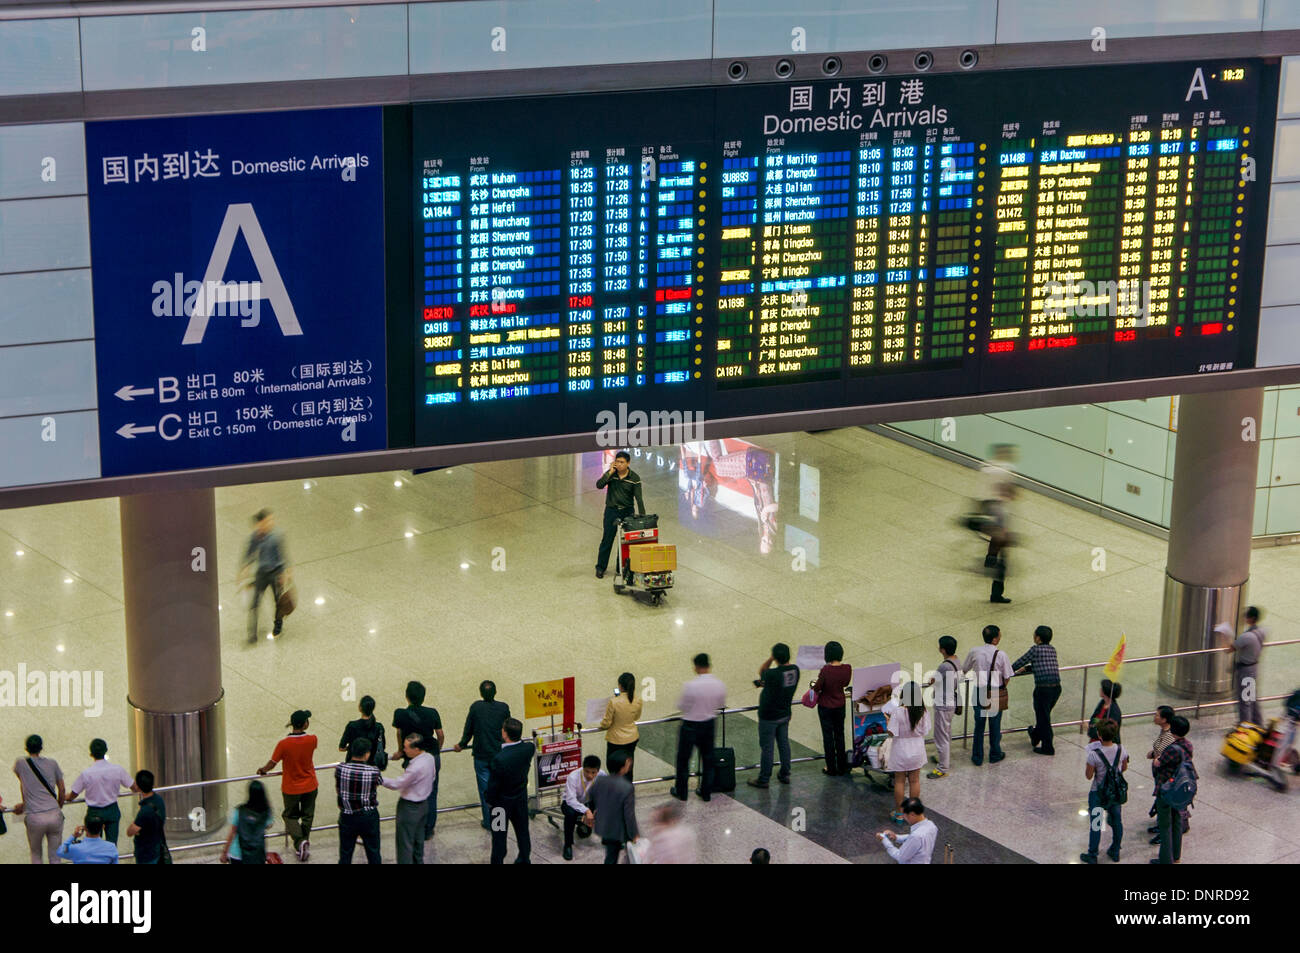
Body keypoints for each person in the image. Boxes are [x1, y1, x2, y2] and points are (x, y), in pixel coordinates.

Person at [256, 708, 318, 862]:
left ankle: (299, 842)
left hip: (291, 787)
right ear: (305, 724)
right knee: (307, 815)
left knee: (289, 815)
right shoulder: (313, 739)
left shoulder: (283, 744)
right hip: (310, 784)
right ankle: (303, 843)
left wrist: (263, 770)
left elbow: (272, 763)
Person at [453, 680, 511, 830]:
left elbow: (469, 730)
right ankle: (500, 821)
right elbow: (509, 730)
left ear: (480, 693)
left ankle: (489, 822)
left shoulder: (476, 707)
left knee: (485, 791)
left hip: (482, 755)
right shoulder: (504, 708)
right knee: (500, 790)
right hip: (499, 755)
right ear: (495, 692)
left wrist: (461, 744)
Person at [671, 653, 727, 802]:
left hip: (690, 725)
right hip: (709, 724)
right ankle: (706, 791)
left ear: (696, 667)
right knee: (708, 759)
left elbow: (682, 706)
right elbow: (721, 705)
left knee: (683, 760)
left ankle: (681, 792)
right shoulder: (719, 684)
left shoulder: (690, 686)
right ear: (709, 665)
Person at [393, 680, 444, 839]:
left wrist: (402, 750)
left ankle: (415, 827)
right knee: (432, 791)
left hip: (413, 756)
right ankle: (428, 828)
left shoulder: (400, 713)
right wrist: (437, 750)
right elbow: (440, 735)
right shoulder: (432, 712)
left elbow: (399, 734)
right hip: (432, 756)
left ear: (406, 696)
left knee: (413, 793)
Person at [962, 625, 1014, 766]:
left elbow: (964, 669)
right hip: (995, 691)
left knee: (979, 725)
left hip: (979, 691)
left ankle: (977, 756)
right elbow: (1007, 675)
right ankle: (995, 754)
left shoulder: (974, 651)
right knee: (995, 724)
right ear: (995, 639)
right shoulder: (1001, 655)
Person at [749, 643, 799, 789]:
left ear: (776, 657)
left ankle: (764, 778)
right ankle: (785, 773)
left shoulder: (772, 674)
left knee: (767, 748)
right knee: (784, 744)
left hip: (769, 717)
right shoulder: (795, 670)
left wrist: (771, 658)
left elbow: (762, 670)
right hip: (784, 714)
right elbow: (782, 684)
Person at [69, 738, 137, 845]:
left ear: (91, 754)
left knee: (93, 844)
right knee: (112, 844)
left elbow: (72, 795)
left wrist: (64, 797)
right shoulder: (117, 769)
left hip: (94, 812)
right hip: (112, 810)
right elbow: (134, 787)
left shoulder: (86, 773)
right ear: (106, 750)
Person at [238, 507, 291, 643]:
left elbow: (283, 555)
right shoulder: (254, 537)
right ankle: (252, 634)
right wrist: (245, 568)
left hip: (276, 573)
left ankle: (278, 627)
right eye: (268, 521)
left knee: (278, 602)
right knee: (255, 603)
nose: (271, 523)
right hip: (261, 573)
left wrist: (286, 572)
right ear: (260, 523)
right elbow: (249, 554)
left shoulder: (277, 535)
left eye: (271, 520)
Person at [380, 733, 434, 864]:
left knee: (405, 844)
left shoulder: (415, 767)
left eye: (406, 747)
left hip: (409, 808)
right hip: (424, 805)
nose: (403, 750)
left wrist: (378, 778)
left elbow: (397, 784)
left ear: (416, 749)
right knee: (418, 841)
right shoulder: (429, 758)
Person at [486, 718, 534, 864]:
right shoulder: (529, 748)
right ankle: (525, 858)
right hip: (519, 799)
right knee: (523, 832)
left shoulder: (499, 759)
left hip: (500, 805)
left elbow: (493, 786)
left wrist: (489, 801)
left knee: (499, 837)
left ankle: (498, 861)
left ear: (505, 734)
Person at [11, 734, 65, 864]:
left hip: (34, 816)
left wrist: (25, 804)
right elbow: (62, 789)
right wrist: (59, 806)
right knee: (55, 856)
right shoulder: (52, 763)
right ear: (41, 748)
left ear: (26, 748)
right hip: (54, 813)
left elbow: (24, 784)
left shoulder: (20, 763)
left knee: (36, 855)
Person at [1080, 719, 1128, 863]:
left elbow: (1089, 776)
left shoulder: (1093, 754)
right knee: (1117, 821)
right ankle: (1115, 850)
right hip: (1115, 792)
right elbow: (1123, 768)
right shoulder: (1121, 749)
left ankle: (1093, 854)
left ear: (1099, 735)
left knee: (1097, 824)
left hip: (1098, 793)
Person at [883, 681, 932, 823]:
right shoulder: (922, 711)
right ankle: (913, 813)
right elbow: (925, 730)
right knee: (915, 781)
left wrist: (888, 721)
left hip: (901, 750)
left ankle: (899, 813)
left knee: (899, 781)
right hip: (917, 749)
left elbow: (892, 733)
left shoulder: (898, 712)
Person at [594, 450, 646, 578]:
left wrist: (642, 517)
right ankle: (600, 567)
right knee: (607, 539)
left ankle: (621, 568)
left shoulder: (634, 478)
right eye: (617, 461)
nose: (619, 464)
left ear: (628, 463)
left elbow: (639, 499)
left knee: (624, 542)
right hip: (611, 511)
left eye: (622, 462)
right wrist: (610, 472)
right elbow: (599, 485)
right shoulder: (611, 474)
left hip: (627, 512)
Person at [1152, 715, 1195, 864]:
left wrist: (1156, 758)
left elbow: (1158, 763)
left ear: (1172, 730)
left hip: (1167, 789)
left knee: (1165, 826)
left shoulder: (1172, 749)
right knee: (1177, 823)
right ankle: (1176, 857)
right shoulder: (1188, 745)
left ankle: (1165, 860)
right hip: (1180, 790)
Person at [1014, 625, 1062, 755]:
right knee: (1043, 716)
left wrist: (1008, 670)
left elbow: (1020, 662)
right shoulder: (1052, 650)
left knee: (1044, 719)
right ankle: (1035, 735)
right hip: (1056, 688)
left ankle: (1048, 747)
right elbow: (1043, 663)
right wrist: (1030, 668)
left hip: (1043, 689)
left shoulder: (1035, 650)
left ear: (1038, 638)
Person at [585, 748, 638, 864]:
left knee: (611, 855)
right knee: (625, 855)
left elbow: (591, 797)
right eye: (627, 762)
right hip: (619, 828)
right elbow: (629, 814)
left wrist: (592, 811)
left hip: (605, 825)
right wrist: (634, 834)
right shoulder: (627, 787)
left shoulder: (600, 781)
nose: (630, 763)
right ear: (622, 767)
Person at [336, 737, 383, 864]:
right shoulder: (374, 771)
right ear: (367, 754)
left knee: (345, 853)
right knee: (373, 852)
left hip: (347, 815)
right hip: (368, 816)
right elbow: (379, 782)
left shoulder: (340, 769)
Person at [812, 641, 852, 776]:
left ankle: (831, 767)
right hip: (840, 705)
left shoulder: (825, 670)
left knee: (828, 737)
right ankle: (842, 765)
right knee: (839, 735)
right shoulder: (847, 669)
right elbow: (846, 683)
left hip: (825, 707)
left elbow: (818, 687)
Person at [925, 636, 961, 779]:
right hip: (951, 702)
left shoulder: (944, 666)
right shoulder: (956, 661)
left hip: (943, 705)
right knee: (946, 733)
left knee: (941, 737)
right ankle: (943, 759)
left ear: (943, 650)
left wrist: (931, 681)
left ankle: (942, 768)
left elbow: (934, 680)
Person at [1224, 606, 1267, 725]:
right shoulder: (1261, 631)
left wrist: (1224, 635)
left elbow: (1229, 649)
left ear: (1251, 618)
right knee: (1252, 698)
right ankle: (1258, 724)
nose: (1244, 618)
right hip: (1254, 668)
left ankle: (1244, 728)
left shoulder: (1246, 636)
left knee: (1244, 700)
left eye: (1246, 616)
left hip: (1245, 671)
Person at [561, 755, 605, 861]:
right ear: (583, 768)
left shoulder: (602, 775)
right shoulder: (573, 777)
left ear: (598, 771)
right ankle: (568, 845)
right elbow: (571, 800)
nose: (590, 775)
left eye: (593, 772)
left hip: (589, 801)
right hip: (571, 803)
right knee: (570, 815)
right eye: (587, 771)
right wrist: (587, 811)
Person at [600, 673, 642, 781]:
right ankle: (628, 792)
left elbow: (606, 723)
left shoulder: (614, 702)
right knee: (628, 768)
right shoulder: (638, 700)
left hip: (616, 741)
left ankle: (617, 793)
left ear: (620, 686)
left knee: (614, 769)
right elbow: (636, 717)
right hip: (632, 739)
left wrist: (601, 724)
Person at [221, 780, 273, 865]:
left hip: (237, 853)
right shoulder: (266, 813)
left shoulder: (239, 811)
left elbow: (232, 833)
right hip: (256, 853)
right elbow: (268, 825)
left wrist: (224, 852)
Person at [876, 797, 937, 864]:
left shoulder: (916, 836)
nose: (903, 818)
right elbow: (912, 838)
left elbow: (900, 857)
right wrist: (896, 837)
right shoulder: (932, 826)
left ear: (912, 814)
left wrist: (884, 840)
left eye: (904, 815)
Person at [1145, 706, 1176, 838]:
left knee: (1163, 800)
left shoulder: (1169, 736)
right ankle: (1160, 823)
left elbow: (1162, 755)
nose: (1155, 717)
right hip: (1159, 773)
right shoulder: (1164, 731)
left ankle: (1163, 829)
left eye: (1157, 715)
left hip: (1164, 775)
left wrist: (1155, 757)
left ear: (1164, 719)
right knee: (1160, 799)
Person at [125, 770, 167, 864]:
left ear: (138, 787)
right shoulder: (159, 800)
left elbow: (130, 832)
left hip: (146, 854)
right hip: (157, 847)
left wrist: (134, 824)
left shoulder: (144, 812)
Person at [338, 695, 387, 770]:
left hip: (353, 766)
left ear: (360, 708)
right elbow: (382, 746)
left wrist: (349, 748)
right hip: (371, 766)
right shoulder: (379, 727)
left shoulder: (352, 726)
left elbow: (341, 747)